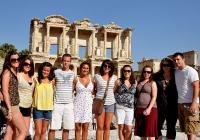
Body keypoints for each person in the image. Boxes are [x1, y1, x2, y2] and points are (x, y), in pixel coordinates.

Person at [0, 50, 27, 140]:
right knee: (23, 131)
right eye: (13, 60)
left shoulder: (14, 71)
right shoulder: (7, 72)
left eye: (18, 59)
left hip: (13, 105)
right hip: (11, 106)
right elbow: (5, 91)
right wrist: (10, 110)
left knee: (10, 130)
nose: (16, 61)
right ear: (9, 61)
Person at [172, 52, 199, 140]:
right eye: (174, 60)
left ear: (183, 59)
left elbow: (196, 86)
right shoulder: (176, 72)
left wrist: (194, 103)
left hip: (190, 103)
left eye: (178, 59)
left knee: (192, 129)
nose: (176, 61)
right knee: (187, 130)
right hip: (180, 104)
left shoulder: (190, 71)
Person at [48, 54, 75, 140]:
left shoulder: (73, 74)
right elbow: (52, 84)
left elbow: (74, 86)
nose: (66, 63)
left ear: (70, 62)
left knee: (66, 128)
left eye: (68, 61)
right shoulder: (56, 72)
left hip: (69, 103)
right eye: (64, 61)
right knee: (52, 127)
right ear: (61, 62)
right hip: (57, 103)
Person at [153, 58, 178, 140]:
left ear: (171, 66)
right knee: (157, 127)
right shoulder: (156, 76)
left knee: (171, 128)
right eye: (164, 65)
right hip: (159, 105)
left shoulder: (176, 76)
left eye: (168, 65)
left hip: (172, 106)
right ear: (161, 66)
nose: (166, 67)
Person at [94, 59, 117, 140]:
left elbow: (114, 89)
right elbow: (94, 88)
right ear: (102, 66)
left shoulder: (114, 77)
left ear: (111, 68)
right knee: (100, 126)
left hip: (110, 103)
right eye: (105, 65)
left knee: (107, 127)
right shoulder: (97, 76)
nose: (107, 67)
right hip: (100, 103)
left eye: (109, 66)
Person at [134, 65, 158, 140]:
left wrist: (149, 109)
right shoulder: (138, 82)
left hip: (150, 109)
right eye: (145, 71)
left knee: (150, 133)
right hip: (139, 108)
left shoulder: (153, 83)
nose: (146, 73)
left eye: (148, 72)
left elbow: (154, 96)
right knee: (142, 133)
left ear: (151, 73)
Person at [32, 62, 54, 140]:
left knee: (44, 131)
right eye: (44, 70)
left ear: (50, 72)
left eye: (48, 71)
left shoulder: (52, 82)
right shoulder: (36, 80)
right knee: (38, 131)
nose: (45, 72)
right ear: (41, 70)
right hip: (38, 109)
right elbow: (32, 93)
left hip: (48, 109)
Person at [114, 65, 137, 140]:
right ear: (122, 72)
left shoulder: (134, 82)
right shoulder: (118, 81)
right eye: (125, 71)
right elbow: (113, 92)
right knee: (121, 127)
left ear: (131, 72)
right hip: (120, 107)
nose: (126, 72)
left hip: (130, 107)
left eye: (128, 71)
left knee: (129, 128)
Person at [73, 61, 94, 140]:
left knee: (85, 127)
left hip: (88, 105)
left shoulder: (92, 79)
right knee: (77, 127)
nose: (85, 70)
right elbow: (72, 91)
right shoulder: (76, 79)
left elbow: (95, 91)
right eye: (84, 68)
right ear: (80, 68)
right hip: (78, 104)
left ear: (89, 69)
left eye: (87, 68)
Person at [17, 55, 35, 139]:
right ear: (22, 64)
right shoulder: (18, 75)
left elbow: (32, 92)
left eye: (30, 64)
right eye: (26, 64)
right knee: (19, 132)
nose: (28, 66)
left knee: (26, 132)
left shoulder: (32, 77)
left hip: (28, 107)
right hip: (18, 106)